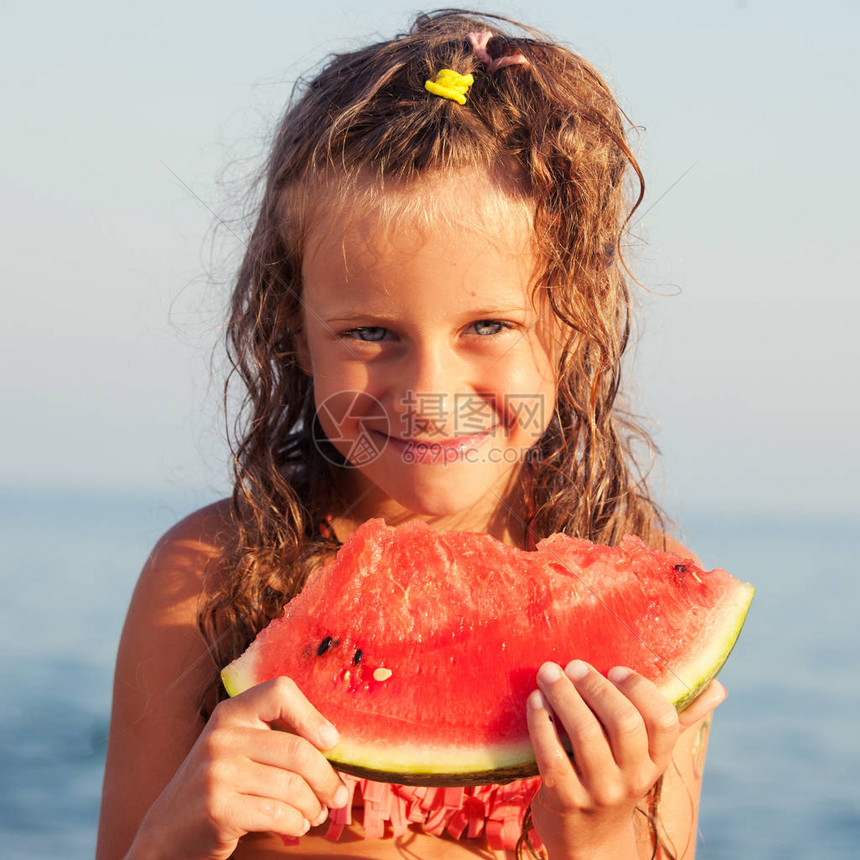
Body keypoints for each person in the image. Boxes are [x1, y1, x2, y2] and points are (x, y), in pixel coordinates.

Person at [97, 10, 727, 859]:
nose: (429, 392)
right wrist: (181, 827)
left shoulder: (639, 595)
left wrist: (603, 833)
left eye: (491, 326)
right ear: (291, 326)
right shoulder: (207, 577)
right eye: (369, 334)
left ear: (572, 323)